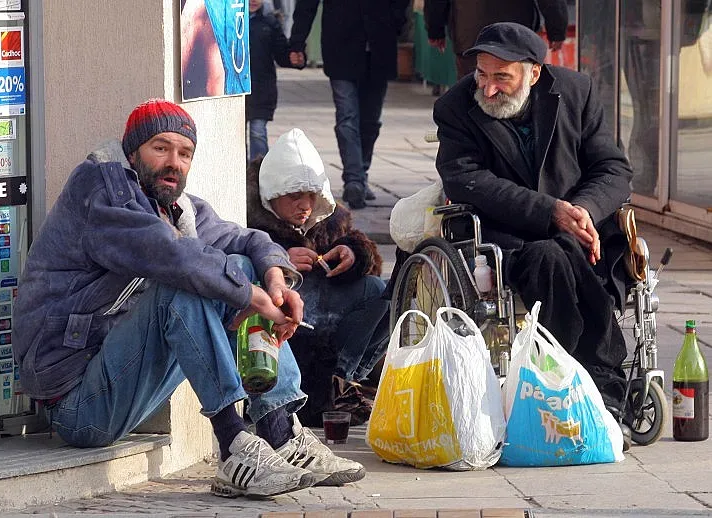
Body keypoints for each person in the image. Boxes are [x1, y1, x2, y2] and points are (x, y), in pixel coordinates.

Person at [12, 99, 365, 498]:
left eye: (184, 153)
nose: (173, 163)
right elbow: (171, 255)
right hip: (77, 406)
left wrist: (274, 279)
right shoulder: (102, 191)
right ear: (133, 152)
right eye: (160, 148)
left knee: (239, 265)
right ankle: (233, 446)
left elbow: (245, 239)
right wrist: (254, 298)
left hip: (120, 382)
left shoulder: (174, 207)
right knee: (184, 284)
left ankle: (281, 432)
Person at [430, 23, 634, 445]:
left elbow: (613, 169)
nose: (486, 89)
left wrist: (583, 211)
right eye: (482, 75)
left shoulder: (577, 92)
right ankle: (598, 378)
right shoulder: (454, 106)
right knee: (550, 253)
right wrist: (551, 212)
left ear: (534, 73)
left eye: (501, 77)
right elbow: (465, 179)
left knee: (561, 249)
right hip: (509, 239)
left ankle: (588, 384)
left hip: (584, 231)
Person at [247, 128, 389, 427]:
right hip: (282, 324)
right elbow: (238, 271)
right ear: (271, 195)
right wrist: (279, 261)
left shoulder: (330, 219)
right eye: (294, 196)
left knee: (382, 292)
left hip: (327, 317)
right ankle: (325, 388)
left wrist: (351, 254)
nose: (305, 205)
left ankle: (344, 381)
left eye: (311, 196)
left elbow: (367, 258)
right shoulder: (250, 221)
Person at [287, 0, 410, 209]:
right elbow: (307, 4)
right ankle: (354, 180)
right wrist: (297, 42)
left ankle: (361, 175)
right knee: (347, 117)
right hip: (341, 45)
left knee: (371, 121)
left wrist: (395, 22)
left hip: (379, 46)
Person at [423, 0, 568, 78]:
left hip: (469, 32)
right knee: (515, 91)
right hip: (517, 37)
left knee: (472, 92)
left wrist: (435, 29)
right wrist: (557, 29)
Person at [246, 0, 293, 161]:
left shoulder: (270, 23)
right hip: (238, 87)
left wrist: (295, 58)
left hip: (261, 88)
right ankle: (238, 172)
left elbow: (281, 53)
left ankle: (258, 171)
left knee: (257, 132)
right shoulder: (232, 22)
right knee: (235, 136)